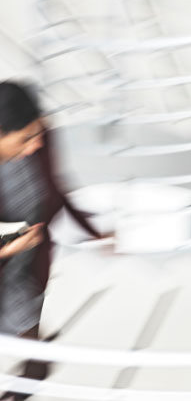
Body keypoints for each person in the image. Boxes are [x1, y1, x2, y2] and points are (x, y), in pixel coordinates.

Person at [0, 81, 103, 401]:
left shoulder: (40, 139)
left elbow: (55, 186)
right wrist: (8, 247)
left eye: (39, 132)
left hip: (26, 270)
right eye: (26, 138)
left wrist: (92, 229)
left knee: (36, 361)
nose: (36, 145)